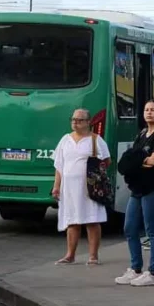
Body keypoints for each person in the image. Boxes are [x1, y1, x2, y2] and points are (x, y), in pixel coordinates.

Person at [115, 99, 154, 287]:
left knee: (152, 230)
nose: (149, 113)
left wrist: (137, 162)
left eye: (153, 110)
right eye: (146, 110)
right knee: (129, 228)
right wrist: (140, 161)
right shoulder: (141, 134)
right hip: (137, 187)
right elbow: (132, 159)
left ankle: (152, 272)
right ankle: (135, 267)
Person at [51, 109, 111, 265]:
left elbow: (107, 161)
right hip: (69, 188)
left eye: (79, 120)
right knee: (72, 221)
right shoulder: (65, 140)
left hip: (89, 188)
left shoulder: (96, 140)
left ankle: (93, 256)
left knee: (92, 220)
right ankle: (70, 255)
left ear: (88, 122)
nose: (75, 122)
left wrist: (94, 175)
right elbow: (59, 166)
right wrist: (56, 186)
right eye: (73, 119)